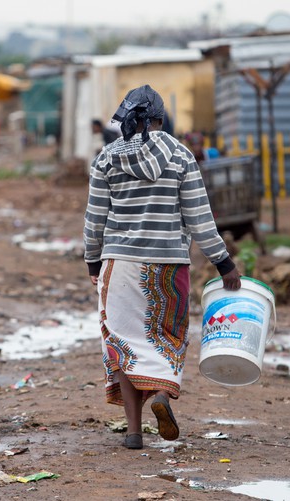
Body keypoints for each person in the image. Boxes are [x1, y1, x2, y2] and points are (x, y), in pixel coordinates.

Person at [83, 84, 241, 450]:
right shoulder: (181, 156)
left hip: (120, 264)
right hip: (170, 266)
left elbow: (94, 220)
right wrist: (224, 263)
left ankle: (134, 432)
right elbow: (199, 218)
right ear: (160, 119)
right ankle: (161, 396)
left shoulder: (106, 158)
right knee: (166, 338)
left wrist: (93, 260)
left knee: (122, 344)